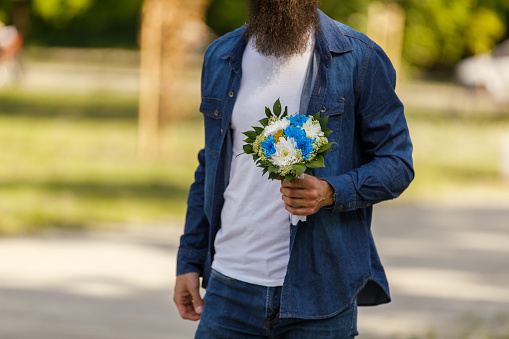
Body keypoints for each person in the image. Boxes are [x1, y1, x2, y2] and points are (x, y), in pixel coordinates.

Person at [174, 1, 414, 338]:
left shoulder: (360, 58)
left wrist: (331, 192)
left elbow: (398, 163)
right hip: (229, 287)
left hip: (321, 292)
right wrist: (189, 260)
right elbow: (210, 166)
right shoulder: (220, 56)